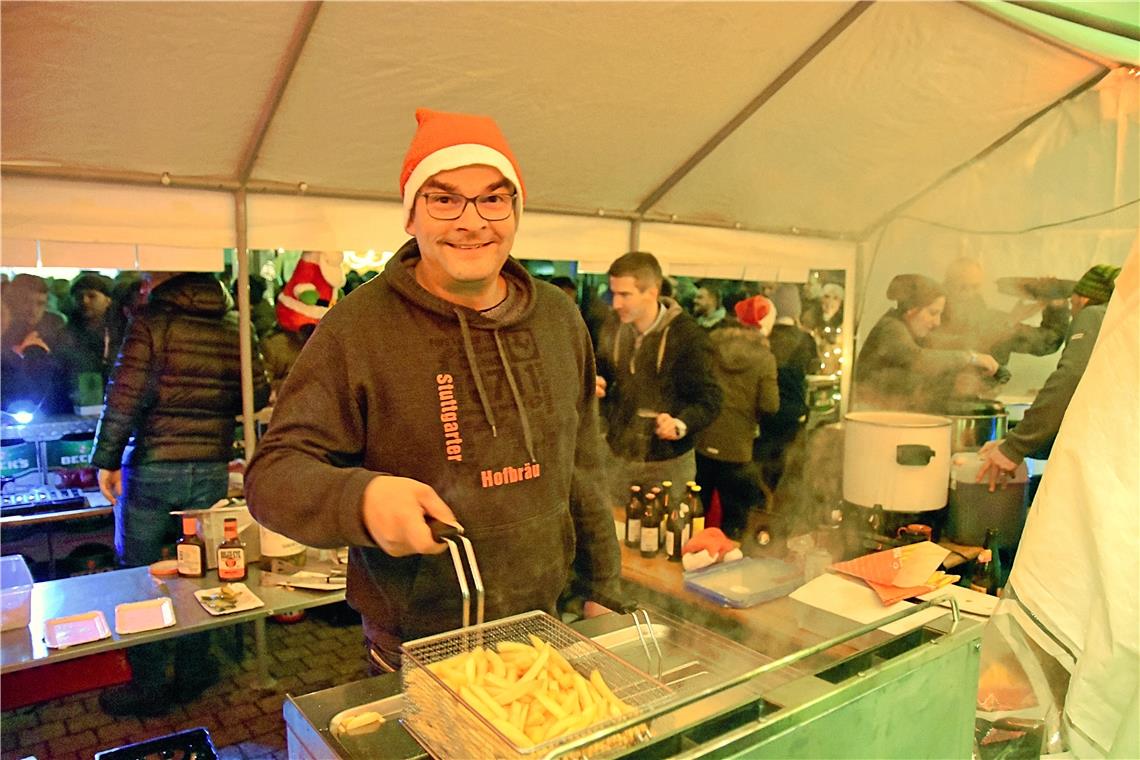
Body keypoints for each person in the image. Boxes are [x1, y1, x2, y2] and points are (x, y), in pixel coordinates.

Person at [245, 108, 621, 672]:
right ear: (411, 216)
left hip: (543, 630)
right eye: (445, 200)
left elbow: (584, 464)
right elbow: (273, 475)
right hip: (417, 645)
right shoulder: (358, 326)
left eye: (494, 199)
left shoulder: (559, 319)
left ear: (515, 211)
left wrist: (604, 586)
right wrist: (364, 500)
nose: (472, 222)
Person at [90, 271, 271, 716]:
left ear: (165, 278)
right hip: (209, 467)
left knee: (141, 576)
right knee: (200, 571)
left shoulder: (152, 320)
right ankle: (194, 670)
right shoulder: (236, 323)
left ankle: (149, 685)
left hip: (153, 466)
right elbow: (258, 391)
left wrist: (106, 459)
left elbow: (124, 395)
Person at [977, 264, 1121, 492]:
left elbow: (1071, 375)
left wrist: (1015, 446)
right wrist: (1019, 445)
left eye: (1072, 305)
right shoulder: (1123, 322)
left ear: (1083, 299)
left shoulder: (1094, 314)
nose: (1074, 314)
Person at [596, 251, 722, 492]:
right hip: (618, 456)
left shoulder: (687, 336)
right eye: (614, 293)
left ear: (652, 292)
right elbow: (603, 368)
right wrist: (597, 380)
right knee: (616, 526)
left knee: (664, 529)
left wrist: (680, 424)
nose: (616, 303)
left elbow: (711, 398)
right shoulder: (614, 326)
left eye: (625, 295)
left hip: (668, 464)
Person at [694, 295, 779, 540]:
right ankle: (724, 568)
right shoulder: (765, 358)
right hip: (738, 448)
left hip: (703, 439)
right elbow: (770, 404)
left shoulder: (712, 344)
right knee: (734, 518)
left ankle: (687, 561)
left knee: (697, 511)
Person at [854, 274, 999, 412]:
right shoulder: (890, 327)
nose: (937, 322)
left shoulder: (910, 331)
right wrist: (970, 358)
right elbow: (918, 359)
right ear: (911, 309)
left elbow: (944, 343)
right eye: (933, 313)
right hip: (871, 418)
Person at [931, 257, 1069, 393]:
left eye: (975, 286)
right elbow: (953, 345)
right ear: (947, 284)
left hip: (984, 401)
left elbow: (1047, 343)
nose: (968, 292)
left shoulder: (993, 319)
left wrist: (1056, 305)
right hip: (934, 399)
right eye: (961, 285)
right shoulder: (931, 319)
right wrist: (1008, 323)